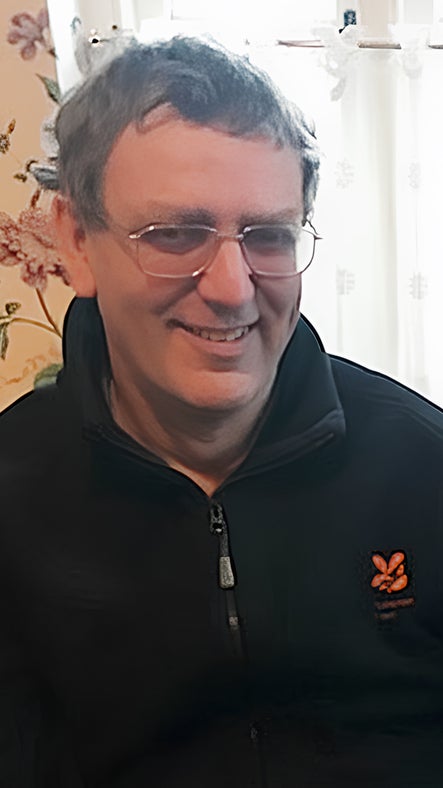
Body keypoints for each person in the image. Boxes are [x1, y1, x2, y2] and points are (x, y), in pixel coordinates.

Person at [0, 35, 442, 788]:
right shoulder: (12, 494)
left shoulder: (420, 467)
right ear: (76, 240)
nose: (233, 287)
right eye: (174, 234)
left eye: (267, 236)